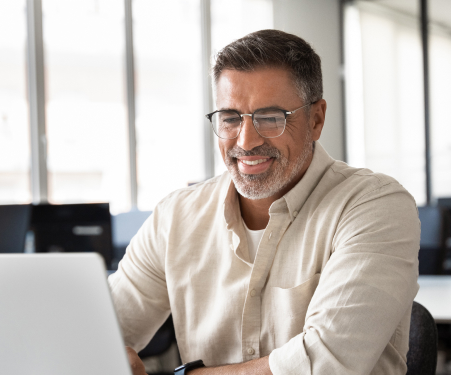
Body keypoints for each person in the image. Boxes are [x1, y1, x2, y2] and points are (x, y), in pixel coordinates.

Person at [109, 29, 420, 375]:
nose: (246, 140)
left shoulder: (375, 206)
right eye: (229, 118)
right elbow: (98, 330)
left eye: (270, 117)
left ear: (315, 119)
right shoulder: (176, 217)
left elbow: (326, 364)